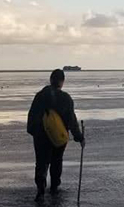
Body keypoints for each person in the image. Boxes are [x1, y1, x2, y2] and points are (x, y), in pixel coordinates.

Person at [26, 69, 84, 199]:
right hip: (59, 136)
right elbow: (71, 120)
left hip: (41, 136)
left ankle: (41, 188)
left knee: (41, 162)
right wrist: (79, 137)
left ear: (51, 79)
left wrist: (33, 131)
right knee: (56, 161)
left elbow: (32, 115)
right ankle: (54, 187)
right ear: (62, 81)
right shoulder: (65, 98)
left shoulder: (40, 95)